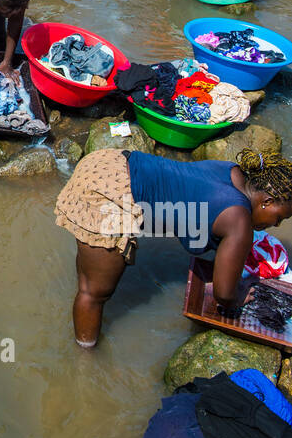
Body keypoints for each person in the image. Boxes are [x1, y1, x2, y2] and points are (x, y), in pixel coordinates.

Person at [56, 146, 292, 348]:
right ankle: (84, 358)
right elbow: (223, 294)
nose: (275, 225)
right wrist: (237, 295)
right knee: (95, 293)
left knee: (90, 275)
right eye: (279, 218)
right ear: (267, 202)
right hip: (109, 194)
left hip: (109, 163)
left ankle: (86, 281)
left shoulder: (233, 172)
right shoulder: (239, 220)